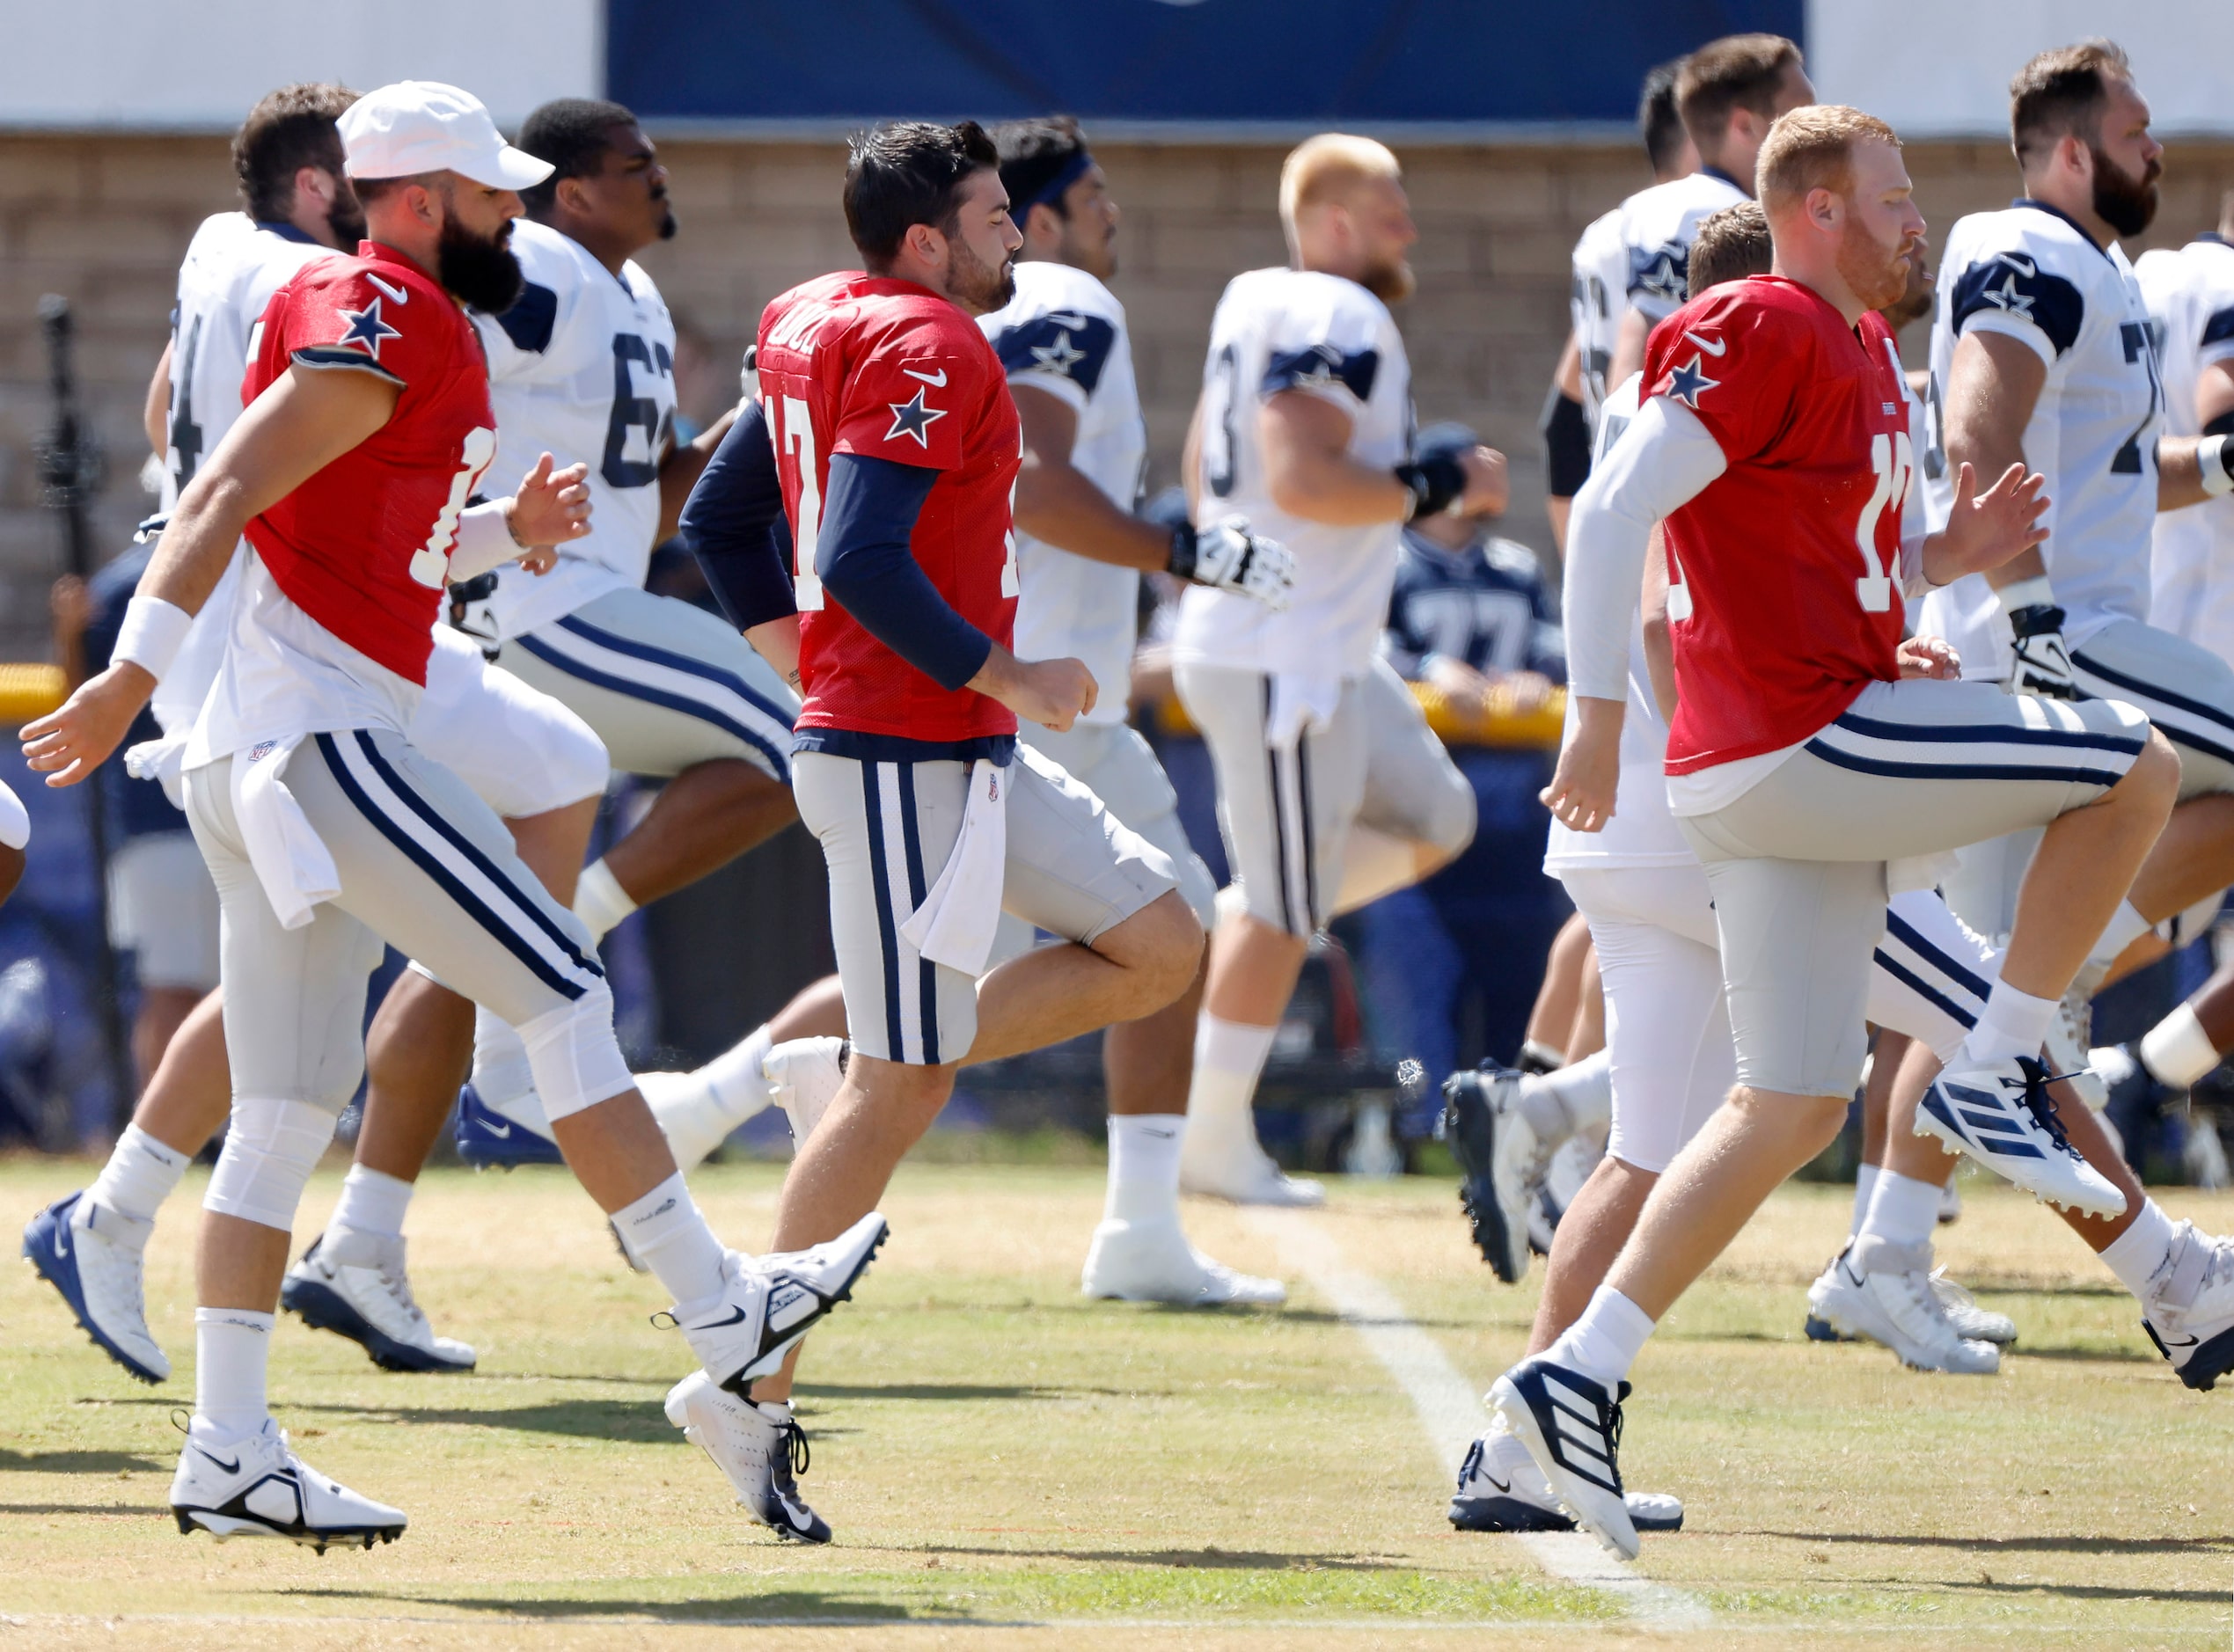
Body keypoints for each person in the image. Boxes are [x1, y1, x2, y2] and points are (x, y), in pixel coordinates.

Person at [19, 80, 885, 1551]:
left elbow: (340, 529)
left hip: (264, 751)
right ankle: (719, 1302)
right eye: (486, 191)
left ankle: (228, 1446)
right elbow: (225, 487)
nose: (511, 211)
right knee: (555, 986)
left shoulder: (374, 308)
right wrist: (121, 679)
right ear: (412, 199)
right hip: (317, 741)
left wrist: (506, 534)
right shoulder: (394, 309)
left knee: (285, 1111)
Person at [1490, 102, 2179, 1561]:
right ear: (1811, 209)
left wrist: (1941, 566)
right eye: (1887, 195)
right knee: (2133, 764)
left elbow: (1808, 551)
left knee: (1790, 1101)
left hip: (1795, 748)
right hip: (1784, 745)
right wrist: (1590, 710)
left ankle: (1560, 1386)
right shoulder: (1760, 317)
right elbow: (1616, 509)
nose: (1913, 216)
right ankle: (1988, 1064)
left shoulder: (1861, 349)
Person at [20, 83, 616, 1385]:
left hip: (281, 633)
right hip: (279, 649)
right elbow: (238, 480)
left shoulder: (219, 258)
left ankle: (147, 1220)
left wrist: (498, 529)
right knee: (323, 974)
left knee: (301, 982)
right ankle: (521, 1046)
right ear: (333, 188)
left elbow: (174, 415)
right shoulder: (348, 291)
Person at [676, 119, 1204, 1542]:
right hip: (906, 746)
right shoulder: (928, 343)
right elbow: (853, 547)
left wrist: (809, 653)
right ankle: (746, 1386)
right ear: (924, 240)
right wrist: (1004, 670)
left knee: (1161, 939)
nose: (1013, 237)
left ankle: (838, 1073)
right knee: (900, 1089)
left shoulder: (805, 318)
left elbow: (725, 517)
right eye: (986, 216)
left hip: (936, 743)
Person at [437, 98, 820, 1163]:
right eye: (635, 164)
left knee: (455, 933)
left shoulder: (636, 294)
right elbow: (430, 358)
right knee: (813, 734)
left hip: (591, 599)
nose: (661, 177)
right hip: (528, 603)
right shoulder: (543, 264)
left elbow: (648, 506)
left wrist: (753, 420)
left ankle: (496, 1089)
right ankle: (579, 929)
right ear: (573, 191)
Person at [976, 116, 1292, 1305]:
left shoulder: (972, 310)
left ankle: (1139, 1224)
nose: (1116, 214)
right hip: (1047, 700)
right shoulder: (1062, 297)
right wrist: (1185, 549)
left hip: (1020, 687)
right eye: (1093, 193)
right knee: (1155, 938)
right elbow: (1031, 480)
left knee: (1166, 930)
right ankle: (782, 1080)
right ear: (1036, 219)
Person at [1169, 135, 1498, 1206]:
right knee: (1282, 905)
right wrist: (1432, 484)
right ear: (1336, 221)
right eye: (1390, 203)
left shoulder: (1250, 300)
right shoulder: (1332, 311)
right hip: (1284, 654)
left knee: (1435, 815)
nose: (1409, 223)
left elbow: (1204, 465)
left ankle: (1256, 911)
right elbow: (1301, 471)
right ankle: (1213, 1142)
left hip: (1318, 647)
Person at [1366, 420, 1568, 1115]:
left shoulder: (1514, 565)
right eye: (1474, 456)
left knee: (1517, 979)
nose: (1494, 462)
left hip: (1513, 813)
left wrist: (1540, 678)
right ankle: (1414, 1125)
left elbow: (1563, 648)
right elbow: (1359, 650)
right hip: (1412, 813)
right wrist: (1426, 670)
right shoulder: (1384, 562)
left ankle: (1511, 1123)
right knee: (1417, 985)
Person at [1604, 33, 1814, 392]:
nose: (1816, 131)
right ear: (1745, 125)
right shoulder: (1702, 211)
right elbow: (1636, 382)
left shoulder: (1653, 209)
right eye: (1800, 116)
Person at [1548, 57, 1696, 551]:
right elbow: (1643, 387)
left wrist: (1583, 560)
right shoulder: (1693, 229)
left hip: (1618, 522)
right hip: (1672, 531)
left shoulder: (1607, 233)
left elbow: (1562, 420)